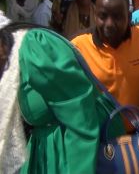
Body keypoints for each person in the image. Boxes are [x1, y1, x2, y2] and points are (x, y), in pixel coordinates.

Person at [0, 17, 124, 173]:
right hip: (43, 154)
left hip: (71, 155)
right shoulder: (6, 66)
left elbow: (80, 114)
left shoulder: (34, 46)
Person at [71, 0, 139, 133]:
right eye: (103, 16)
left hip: (137, 138)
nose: (109, 23)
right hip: (99, 141)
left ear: (129, 17)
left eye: (117, 17)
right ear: (95, 15)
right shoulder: (78, 47)